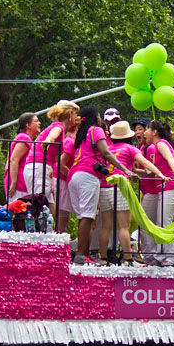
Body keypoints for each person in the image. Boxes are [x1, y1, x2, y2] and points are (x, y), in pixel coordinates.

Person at [66, 105, 136, 264]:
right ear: (95, 117)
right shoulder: (95, 130)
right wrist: (124, 169)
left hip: (74, 175)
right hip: (88, 175)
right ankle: (81, 256)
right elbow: (106, 152)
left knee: (82, 217)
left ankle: (81, 254)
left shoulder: (81, 132)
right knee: (88, 217)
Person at [97, 121, 166, 263]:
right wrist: (160, 173)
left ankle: (103, 258)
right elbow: (146, 163)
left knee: (106, 226)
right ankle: (128, 259)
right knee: (124, 226)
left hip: (105, 186)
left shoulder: (109, 149)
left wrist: (140, 172)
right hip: (121, 186)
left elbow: (131, 168)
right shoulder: (130, 148)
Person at [140, 120, 174, 266]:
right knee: (161, 223)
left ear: (154, 132)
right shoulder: (156, 146)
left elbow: (170, 159)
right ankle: (160, 255)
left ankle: (171, 257)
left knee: (165, 223)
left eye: (146, 129)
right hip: (165, 188)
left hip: (170, 187)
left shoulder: (161, 144)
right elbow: (151, 170)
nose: (144, 133)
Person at [25, 100, 80, 212]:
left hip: (42, 166)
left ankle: (51, 228)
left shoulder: (60, 128)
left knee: (49, 200)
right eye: (75, 114)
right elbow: (54, 132)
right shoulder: (59, 126)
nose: (76, 117)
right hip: (39, 166)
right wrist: (49, 140)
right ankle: (36, 227)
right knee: (39, 199)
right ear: (70, 114)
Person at [4, 113, 41, 202]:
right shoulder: (24, 138)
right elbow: (13, 160)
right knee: (19, 211)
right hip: (19, 183)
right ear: (28, 125)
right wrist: (13, 183)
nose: (39, 123)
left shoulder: (26, 139)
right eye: (36, 121)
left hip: (21, 182)